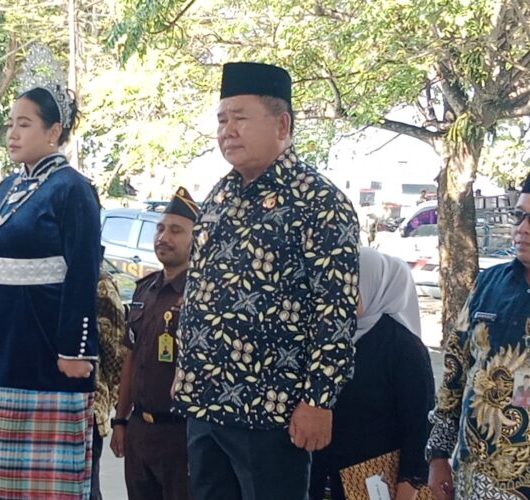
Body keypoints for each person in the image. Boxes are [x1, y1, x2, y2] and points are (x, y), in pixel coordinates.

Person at [172, 62, 360, 500]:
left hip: (273, 412)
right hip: (206, 402)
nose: (227, 131)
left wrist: (319, 399)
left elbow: (336, 310)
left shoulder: (319, 201)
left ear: (282, 124)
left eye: (239, 118)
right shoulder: (219, 196)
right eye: (222, 120)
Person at [0, 82, 101, 500]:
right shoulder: (7, 188)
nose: (12, 134)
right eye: (10, 124)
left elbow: (83, 272)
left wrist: (75, 349)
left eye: (24, 124)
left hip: (43, 345)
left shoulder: (73, 189)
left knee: (45, 479)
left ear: (53, 131)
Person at [427, 173, 530, 499]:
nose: (522, 228)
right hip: (476, 480)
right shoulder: (489, 284)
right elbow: (455, 372)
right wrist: (438, 455)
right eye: (519, 215)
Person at [309, 247, 434, 500]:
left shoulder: (403, 348)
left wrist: (409, 484)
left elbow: (419, 425)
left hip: (376, 481)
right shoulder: (325, 336)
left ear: (374, 284)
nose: (341, 292)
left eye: (352, 284)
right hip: (318, 478)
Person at [110, 187, 198, 500]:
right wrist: (120, 419)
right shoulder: (144, 290)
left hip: (180, 435)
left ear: (195, 239)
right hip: (139, 431)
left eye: (176, 230)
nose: (163, 237)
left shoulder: (201, 295)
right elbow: (131, 358)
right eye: (160, 229)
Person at [90, 259, 127, 500]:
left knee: (85, 488)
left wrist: (114, 408)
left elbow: (116, 348)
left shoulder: (100, 282)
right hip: (37, 401)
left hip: (87, 404)